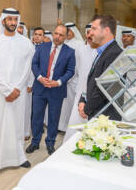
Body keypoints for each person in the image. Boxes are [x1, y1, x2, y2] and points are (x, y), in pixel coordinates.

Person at [0, 8, 34, 172]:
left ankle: (19, 157)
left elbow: (27, 69)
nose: (13, 23)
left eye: (15, 19)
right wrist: (7, 90)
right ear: (3, 21)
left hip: (18, 93)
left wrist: (16, 89)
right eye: (10, 19)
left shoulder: (26, 43)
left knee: (16, 124)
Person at [26, 25, 75, 155]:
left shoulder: (70, 52)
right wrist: (40, 77)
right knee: (36, 117)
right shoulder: (42, 47)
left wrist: (58, 82)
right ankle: (35, 142)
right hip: (40, 88)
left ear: (65, 37)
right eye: (56, 33)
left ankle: (50, 143)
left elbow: (70, 71)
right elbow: (34, 64)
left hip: (56, 91)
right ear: (53, 34)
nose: (57, 37)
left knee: (53, 118)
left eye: (61, 35)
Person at [78, 15, 123, 121]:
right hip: (96, 111)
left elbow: (104, 89)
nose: (91, 32)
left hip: (105, 115)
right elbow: (91, 80)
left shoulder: (114, 53)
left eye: (94, 28)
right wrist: (82, 100)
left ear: (106, 30)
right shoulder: (102, 51)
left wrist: (86, 109)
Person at [64, 24, 96, 141]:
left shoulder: (100, 50)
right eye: (87, 33)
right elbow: (75, 69)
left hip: (94, 92)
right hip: (80, 90)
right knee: (75, 120)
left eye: (91, 33)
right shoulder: (81, 49)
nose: (89, 35)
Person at [58, 22, 85, 132]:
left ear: (73, 31)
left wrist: (68, 77)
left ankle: (70, 128)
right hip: (62, 80)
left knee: (71, 105)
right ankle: (61, 126)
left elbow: (78, 64)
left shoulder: (79, 44)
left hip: (73, 80)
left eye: (68, 31)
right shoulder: (64, 43)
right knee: (63, 105)